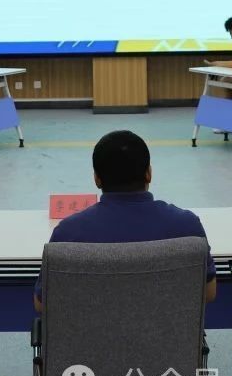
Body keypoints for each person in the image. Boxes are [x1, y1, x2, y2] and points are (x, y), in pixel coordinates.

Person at [35, 130, 217, 310]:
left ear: (97, 179)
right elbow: (208, 292)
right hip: (168, 330)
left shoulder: (68, 233)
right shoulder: (187, 227)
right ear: (149, 174)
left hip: (94, 330)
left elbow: (42, 303)